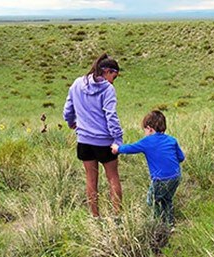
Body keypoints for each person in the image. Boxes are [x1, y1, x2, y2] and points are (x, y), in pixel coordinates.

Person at [63, 53, 123, 217]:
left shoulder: (76, 84)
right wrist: (117, 139)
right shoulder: (108, 89)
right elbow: (111, 116)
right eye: (114, 76)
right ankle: (117, 217)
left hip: (84, 141)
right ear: (107, 71)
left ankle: (95, 217)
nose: (113, 81)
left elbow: (67, 110)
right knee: (113, 178)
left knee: (91, 179)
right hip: (104, 142)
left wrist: (71, 123)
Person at [111, 111, 185, 226]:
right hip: (176, 176)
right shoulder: (172, 140)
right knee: (167, 200)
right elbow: (181, 157)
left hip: (160, 179)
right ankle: (169, 224)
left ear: (150, 129)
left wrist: (117, 148)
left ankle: (157, 223)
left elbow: (131, 148)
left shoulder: (147, 141)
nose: (144, 132)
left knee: (151, 200)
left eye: (144, 129)